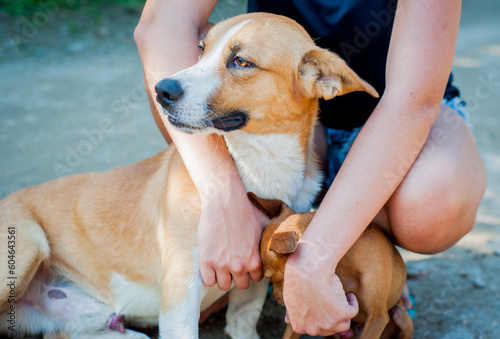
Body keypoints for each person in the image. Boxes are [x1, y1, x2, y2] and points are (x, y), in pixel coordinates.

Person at [134, 0, 487, 336]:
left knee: (430, 204)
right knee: (173, 50)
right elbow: (160, 27)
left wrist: (314, 262)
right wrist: (223, 196)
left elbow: (412, 103)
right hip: (288, 113)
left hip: (393, 114)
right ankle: (252, 245)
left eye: (237, 61)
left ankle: (370, 261)